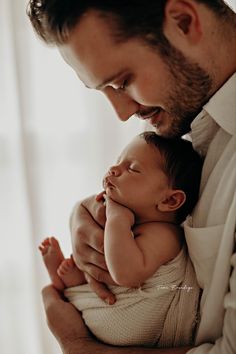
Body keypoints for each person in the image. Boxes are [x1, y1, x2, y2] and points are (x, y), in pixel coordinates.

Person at [27, 0, 236, 353]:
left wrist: (79, 345)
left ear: (184, 22)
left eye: (123, 82)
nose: (123, 113)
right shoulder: (197, 126)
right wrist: (87, 215)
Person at [39, 132, 202, 347]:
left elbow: (126, 274)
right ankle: (71, 284)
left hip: (131, 323)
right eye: (117, 162)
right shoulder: (131, 223)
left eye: (132, 168)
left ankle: (70, 286)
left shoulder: (164, 235)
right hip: (107, 307)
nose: (113, 169)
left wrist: (117, 218)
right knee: (88, 265)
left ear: (170, 199)